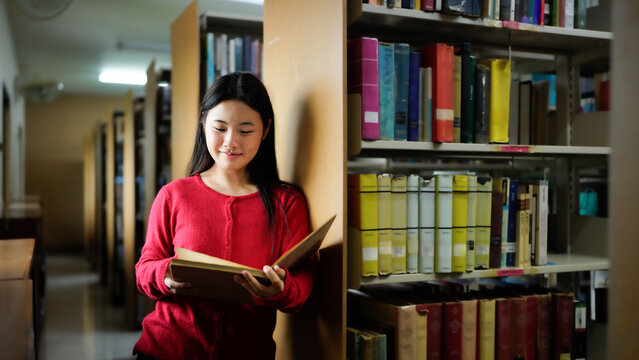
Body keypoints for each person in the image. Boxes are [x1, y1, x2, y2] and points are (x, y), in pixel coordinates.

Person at [133, 72, 315, 360]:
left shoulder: (286, 203)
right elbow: (144, 269)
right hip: (168, 350)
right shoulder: (173, 195)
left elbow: (303, 281)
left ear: (266, 130)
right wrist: (165, 276)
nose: (230, 142)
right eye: (220, 128)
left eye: (245, 131)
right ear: (203, 123)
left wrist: (280, 291)